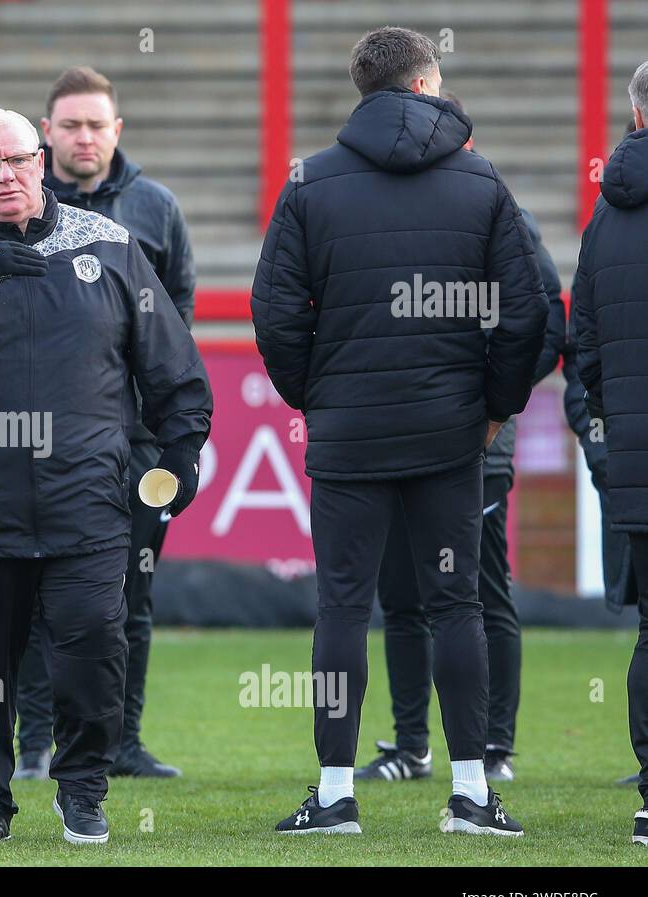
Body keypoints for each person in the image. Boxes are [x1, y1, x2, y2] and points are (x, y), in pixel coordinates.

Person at [0, 108, 212, 845]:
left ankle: (83, 789)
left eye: (17, 160)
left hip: (87, 504)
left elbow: (175, 371)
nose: (3, 177)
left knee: (94, 649)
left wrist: (181, 454)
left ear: (43, 159)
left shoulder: (111, 248)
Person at [252, 27, 546, 836]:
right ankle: (474, 796)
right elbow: (524, 315)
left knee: (342, 608)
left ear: (363, 89)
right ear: (426, 86)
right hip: (450, 435)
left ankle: (337, 793)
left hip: (350, 436)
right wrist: (491, 406)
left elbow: (274, 316)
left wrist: (319, 397)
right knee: (456, 606)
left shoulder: (310, 183)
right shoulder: (482, 181)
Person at [355, 90, 567, 786]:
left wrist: (491, 410)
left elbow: (544, 324)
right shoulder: (412, 214)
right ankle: (412, 745)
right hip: (397, 438)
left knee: (477, 592)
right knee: (402, 596)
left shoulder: (496, 211)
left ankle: (495, 748)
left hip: (476, 445)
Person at [12, 66, 196, 781]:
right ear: (46, 132)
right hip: (41, 440)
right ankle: (34, 744)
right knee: (30, 598)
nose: (84, 137)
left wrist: (172, 437)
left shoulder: (156, 208)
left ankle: (121, 741)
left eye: (97, 125)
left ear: (116, 131)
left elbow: (174, 325)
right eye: (70, 125)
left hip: (136, 442)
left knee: (131, 596)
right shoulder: (18, 205)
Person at [572, 59, 648, 847]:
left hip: (635, 450)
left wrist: (614, 416)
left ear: (634, 115)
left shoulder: (608, 213)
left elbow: (581, 341)